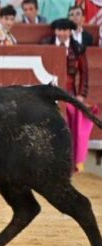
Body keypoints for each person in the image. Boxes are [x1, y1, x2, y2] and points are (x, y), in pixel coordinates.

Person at [41, 18, 94, 172]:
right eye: (59, 30)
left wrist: (82, 95)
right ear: (55, 31)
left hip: (69, 93)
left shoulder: (78, 48)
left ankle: (70, 162)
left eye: (65, 30)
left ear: (70, 31)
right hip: (49, 93)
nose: (62, 33)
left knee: (71, 125)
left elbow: (84, 73)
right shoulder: (46, 44)